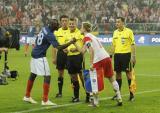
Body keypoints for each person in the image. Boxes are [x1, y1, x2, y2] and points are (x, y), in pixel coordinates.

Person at [23, 19, 76, 106]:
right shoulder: (50, 35)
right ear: (52, 26)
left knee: (33, 74)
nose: (58, 26)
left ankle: (27, 96)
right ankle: (45, 100)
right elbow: (58, 47)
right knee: (47, 76)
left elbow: (37, 40)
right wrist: (70, 42)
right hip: (40, 56)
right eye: (56, 25)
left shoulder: (44, 28)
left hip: (34, 54)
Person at [74, 22, 122, 107]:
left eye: (81, 27)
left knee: (94, 81)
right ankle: (119, 98)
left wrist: (91, 63)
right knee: (111, 78)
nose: (80, 29)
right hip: (106, 57)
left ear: (84, 29)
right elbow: (82, 51)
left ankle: (95, 103)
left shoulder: (86, 37)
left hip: (98, 60)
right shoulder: (92, 36)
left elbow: (91, 50)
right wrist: (74, 43)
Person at [110, 17, 136, 101]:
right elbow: (113, 45)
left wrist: (133, 56)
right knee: (117, 74)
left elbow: (132, 44)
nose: (116, 23)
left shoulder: (129, 31)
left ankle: (132, 94)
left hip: (126, 55)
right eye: (116, 22)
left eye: (118, 22)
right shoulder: (115, 32)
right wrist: (110, 55)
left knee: (128, 74)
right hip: (117, 55)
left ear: (123, 23)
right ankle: (118, 94)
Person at [65, 18, 90, 102]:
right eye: (70, 24)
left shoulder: (80, 33)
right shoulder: (67, 34)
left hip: (78, 57)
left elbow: (85, 45)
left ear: (76, 24)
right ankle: (76, 97)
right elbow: (66, 45)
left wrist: (76, 50)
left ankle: (88, 95)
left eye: (73, 24)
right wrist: (65, 49)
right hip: (69, 57)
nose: (71, 25)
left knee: (82, 77)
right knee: (73, 77)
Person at [52, 15, 69, 98]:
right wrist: (54, 57)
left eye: (66, 20)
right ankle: (60, 92)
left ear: (68, 22)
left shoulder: (71, 31)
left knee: (73, 74)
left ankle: (75, 94)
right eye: (63, 21)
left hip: (70, 55)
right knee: (60, 73)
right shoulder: (57, 32)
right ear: (61, 22)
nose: (64, 22)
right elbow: (54, 46)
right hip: (60, 54)